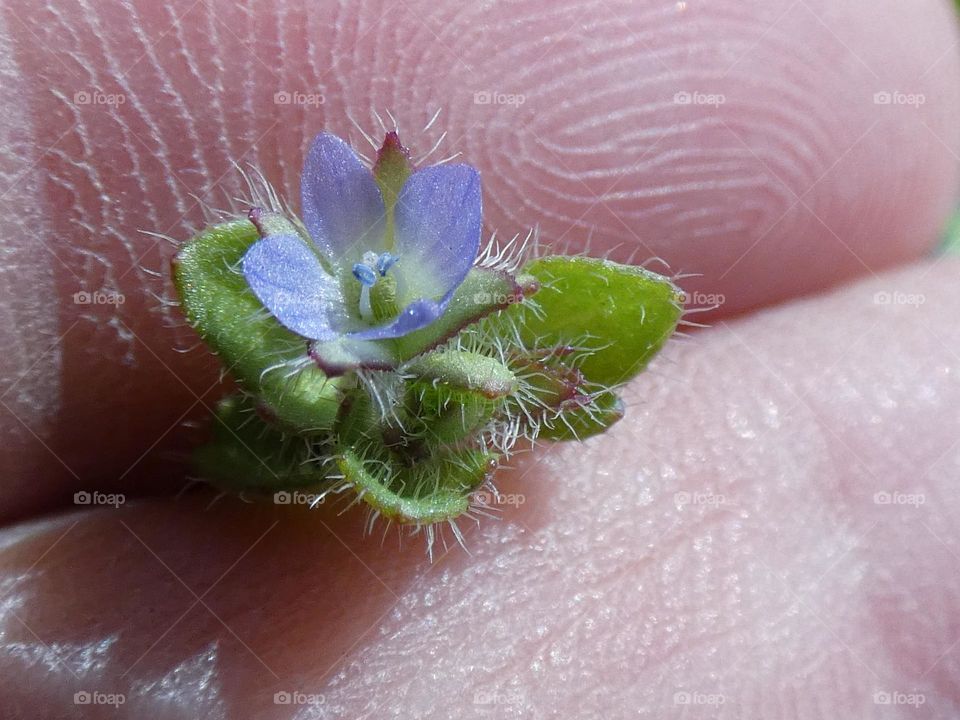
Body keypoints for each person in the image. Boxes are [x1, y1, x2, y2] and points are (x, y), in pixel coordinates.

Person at [0, 0, 958, 716]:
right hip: (335, 346)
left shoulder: (453, 296)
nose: (379, 285)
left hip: (383, 343)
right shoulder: (317, 312)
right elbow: (245, 282)